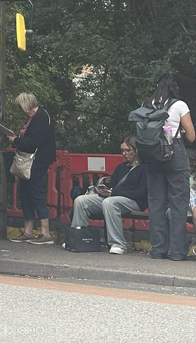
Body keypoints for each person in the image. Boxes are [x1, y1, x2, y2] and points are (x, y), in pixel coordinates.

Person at [144, 73, 195, 261]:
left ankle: (158, 250)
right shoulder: (179, 105)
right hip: (174, 154)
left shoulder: (147, 105)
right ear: (175, 88)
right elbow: (191, 136)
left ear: (157, 86)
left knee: (156, 202)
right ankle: (177, 252)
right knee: (178, 203)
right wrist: (179, 129)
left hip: (152, 155)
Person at [67, 135, 147, 254]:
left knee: (109, 202)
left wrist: (115, 193)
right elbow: (112, 185)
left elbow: (141, 192)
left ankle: (118, 244)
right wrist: (103, 191)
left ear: (136, 151)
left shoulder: (144, 168)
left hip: (134, 201)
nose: (124, 154)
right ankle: (77, 239)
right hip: (112, 197)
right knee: (81, 200)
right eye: (122, 151)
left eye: (127, 150)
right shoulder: (121, 167)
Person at [8, 92, 57, 244]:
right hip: (30, 161)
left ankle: (45, 233)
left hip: (36, 161)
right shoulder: (34, 117)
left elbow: (34, 141)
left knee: (36, 192)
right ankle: (28, 231)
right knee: (25, 193)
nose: (20, 111)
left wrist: (16, 140)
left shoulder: (40, 117)